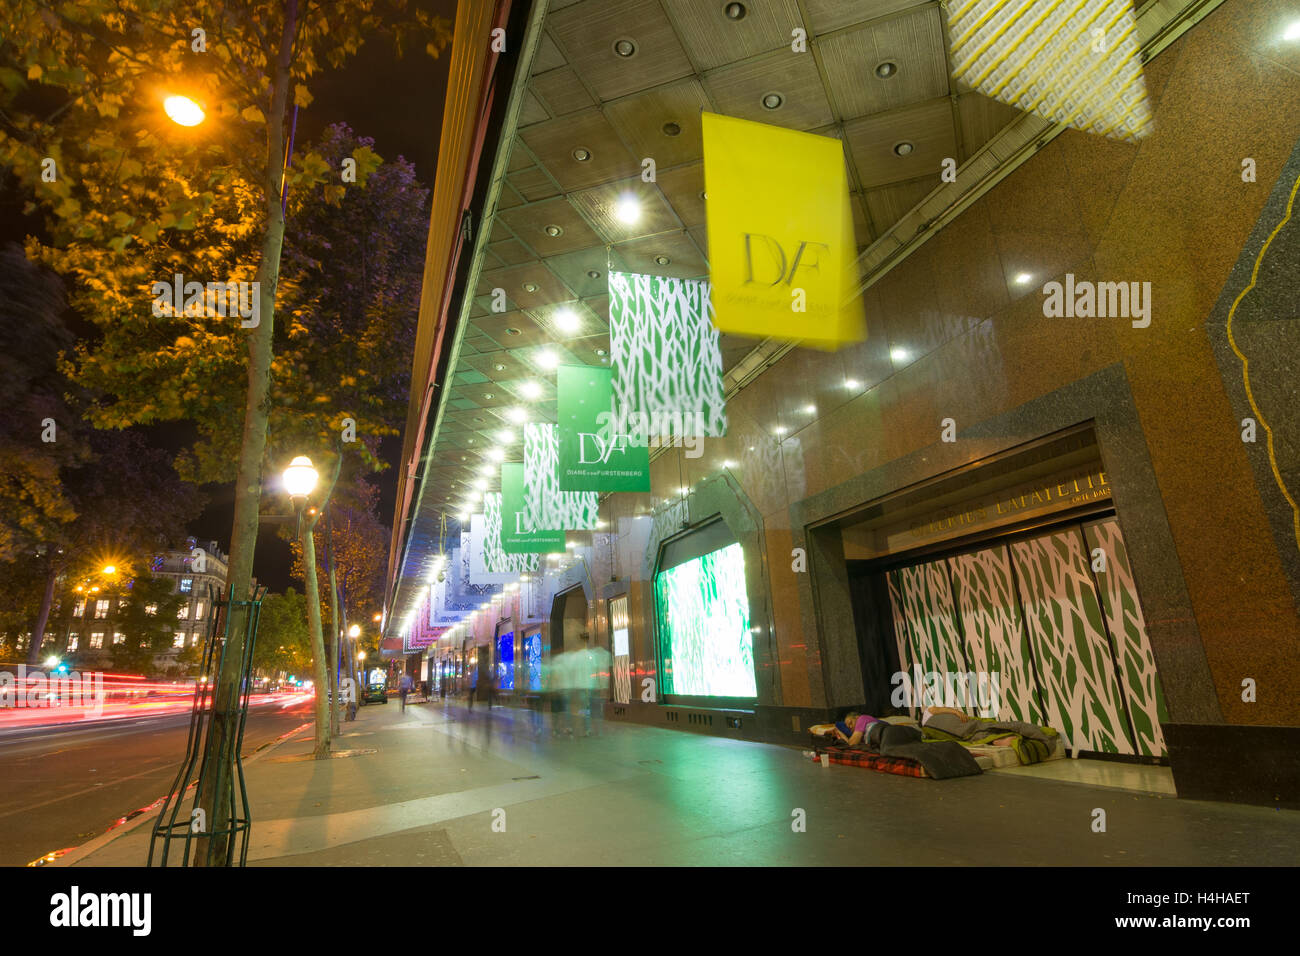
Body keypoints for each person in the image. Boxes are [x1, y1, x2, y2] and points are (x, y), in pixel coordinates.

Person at [585, 635, 610, 736]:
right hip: (603, 686)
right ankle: (599, 729)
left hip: (594, 686)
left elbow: (594, 671)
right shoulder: (607, 655)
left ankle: (593, 729)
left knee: (593, 708)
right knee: (599, 708)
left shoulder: (592, 655)